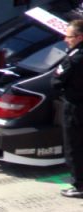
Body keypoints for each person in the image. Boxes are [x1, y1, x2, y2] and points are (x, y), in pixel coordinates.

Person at [53, 19, 83, 198]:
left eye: (69, 36)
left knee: (74, 146)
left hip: (75, 107)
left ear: (80, 37)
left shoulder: (74, 59)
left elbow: (56, 81)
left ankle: (79, 185)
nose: (66, 39)